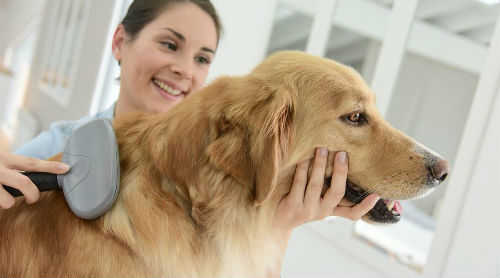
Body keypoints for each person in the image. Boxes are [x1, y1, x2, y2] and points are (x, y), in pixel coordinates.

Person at [0, 0, 379, 275]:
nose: (183, 69)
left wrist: (280, 227)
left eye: (202, 59)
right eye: (169, 44)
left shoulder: (222, 178)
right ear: (119, 42)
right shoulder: (59, 147)